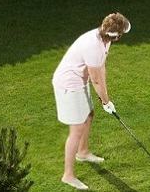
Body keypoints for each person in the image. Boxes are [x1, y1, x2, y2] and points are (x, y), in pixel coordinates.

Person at [52, 12, 131, 190]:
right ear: (116, 35)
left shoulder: (104, 40)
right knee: (76, 129)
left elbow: (100, 68)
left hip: (79, 82)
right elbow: (95, 79)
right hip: (69, 85)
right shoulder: (93, 45)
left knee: (89, 115)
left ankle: (83, 152)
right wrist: (105, 101)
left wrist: (105, 99)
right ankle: (68, 175)